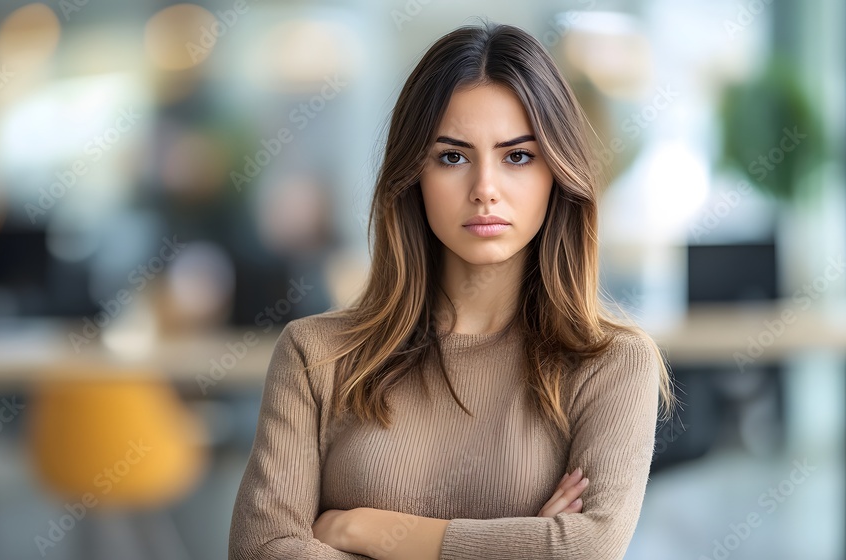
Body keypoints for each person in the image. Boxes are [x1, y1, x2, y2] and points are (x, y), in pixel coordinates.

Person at [228, 20, 676, 560]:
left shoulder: (611, 364)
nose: (485, 189)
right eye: (453, 156)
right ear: (413, 173)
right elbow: (262, 552)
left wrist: (362, 531)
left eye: (517, 156)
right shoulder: (316, 357)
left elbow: (587, 548)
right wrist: (517, 544)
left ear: (557, 173)